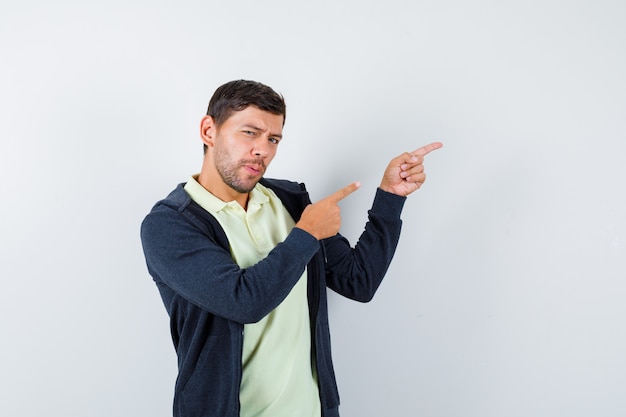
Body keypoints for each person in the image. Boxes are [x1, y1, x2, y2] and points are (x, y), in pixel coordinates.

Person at [140, 79, 442, 417]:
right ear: (209, 130)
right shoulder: (170, 225)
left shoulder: (290, 202)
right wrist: (306, 234)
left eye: (273, 139)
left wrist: (390, 198)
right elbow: (242, 302)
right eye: (249, 133)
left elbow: (359, 281)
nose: (263, 150)